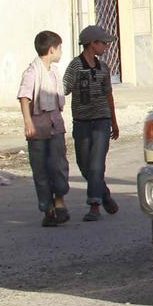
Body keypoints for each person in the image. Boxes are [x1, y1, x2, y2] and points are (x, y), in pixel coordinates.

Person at [63, 25, 119, 222]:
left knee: (96, 164)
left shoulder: (104, 68)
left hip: (101, 121)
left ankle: (94, 205)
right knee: (84, 163)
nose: (106, 47)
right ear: (92, 44)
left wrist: (114, 121)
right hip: (81, 122)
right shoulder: (75, 67)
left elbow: (108, 95)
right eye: (103, 43)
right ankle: (104, 194)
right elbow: (64, 89)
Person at [19, 30, 70, 227]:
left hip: (55, 125)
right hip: (38, 126)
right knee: (40, 170)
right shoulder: (32, 72)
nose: (61, 52)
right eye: (59, 48)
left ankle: (59, 201)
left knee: (58, 165)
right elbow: (25, 97)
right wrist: (28, 122)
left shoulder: (54, 71)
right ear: (51, 50)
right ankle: (47, 209)